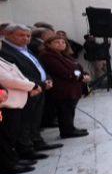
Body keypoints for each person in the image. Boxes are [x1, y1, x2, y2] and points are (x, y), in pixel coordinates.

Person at [0, 24, 62, 159]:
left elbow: (38, 66)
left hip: (39, 88)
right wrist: (38, 84)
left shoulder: (25, 49)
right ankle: (25, 149)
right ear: (8, 35)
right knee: (25, 122)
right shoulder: (5, 51)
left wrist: (48, 78)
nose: (26, 39)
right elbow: (18, 74)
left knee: (35, 119)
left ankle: (36, 141)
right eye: (21, 35)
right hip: (27, 90)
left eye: (28, 36)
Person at [38, 33, 90, 138]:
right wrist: (81, 77)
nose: (60, 44)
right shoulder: (47, 56)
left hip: (72, 87)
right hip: (62, 89)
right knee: (64, 110)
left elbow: (77, 68)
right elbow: (64, 72)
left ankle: (71, 128)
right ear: (48, 44)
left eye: (63, 42)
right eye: (56, 42)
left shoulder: (64, 55)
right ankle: (67, 131)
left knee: (70, 109)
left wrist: (85, 74)